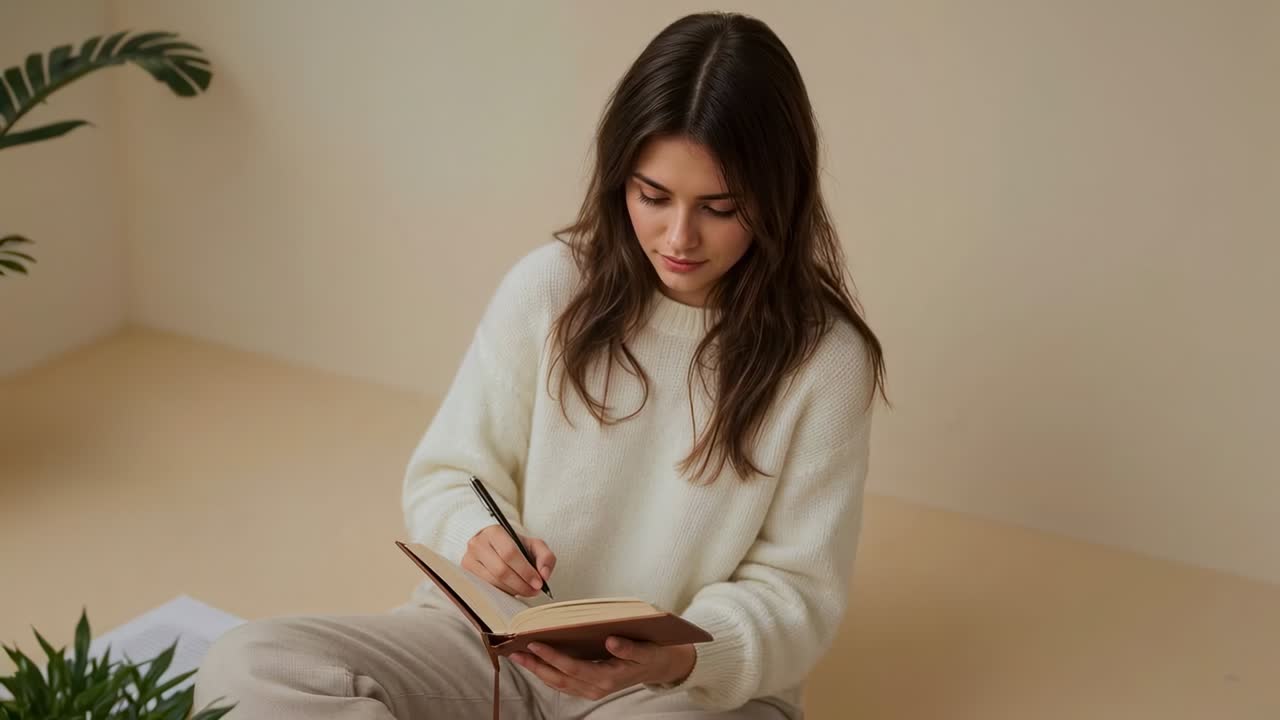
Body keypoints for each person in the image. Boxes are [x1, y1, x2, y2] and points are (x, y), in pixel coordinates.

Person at [195, 10, 886, 719]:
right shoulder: (552, 287)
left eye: (720, 207)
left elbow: (797, 592)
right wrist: (479, 536)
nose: (679, 236)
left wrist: (680, 656)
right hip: (490, 648)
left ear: (781, 197)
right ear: (620, 178)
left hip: (670, 693)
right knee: (248, 666)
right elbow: (450, 476)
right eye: (653, 197)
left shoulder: (826, 362)